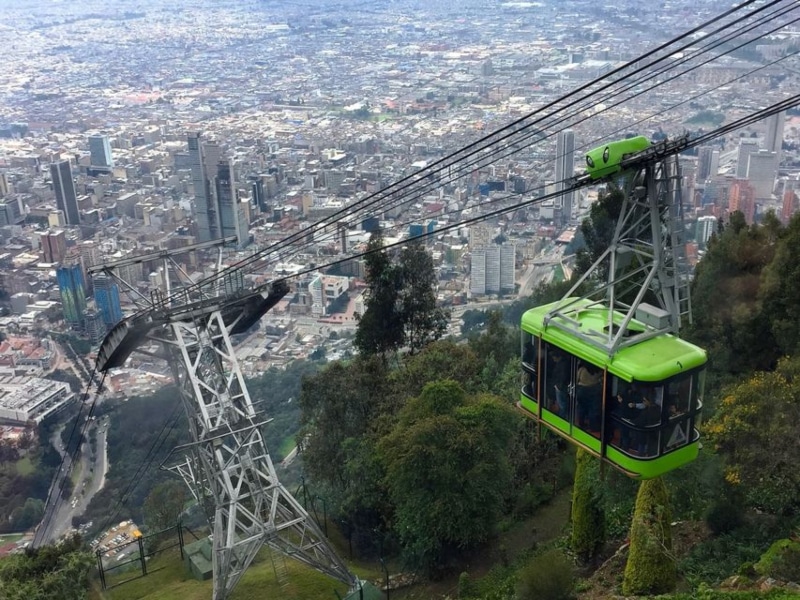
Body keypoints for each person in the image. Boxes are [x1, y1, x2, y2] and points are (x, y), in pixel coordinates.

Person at [575, 362, 602, 430]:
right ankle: (593, 427)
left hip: (582, 390)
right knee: (592, 409)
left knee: (581, 408)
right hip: (594, 390)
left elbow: (577, 378)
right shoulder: (597, 371)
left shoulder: (582, 369)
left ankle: (581, 423)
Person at [550, 352, 570, 418]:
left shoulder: (562, 364)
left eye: (554, 357)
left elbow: (563, 376)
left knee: (562, 404)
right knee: (561, 403)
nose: (553, 359)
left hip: (560, 387)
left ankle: (562, 417)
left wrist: (558, 386)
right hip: (560, 386)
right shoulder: (562, 363)